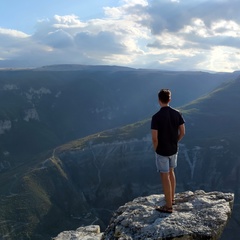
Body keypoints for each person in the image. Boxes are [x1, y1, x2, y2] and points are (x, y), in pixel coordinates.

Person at [151, 89, 185, 213]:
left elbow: (155, 138)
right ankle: (172, 198)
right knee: (171, 172)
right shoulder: (177, 114)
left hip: (162, 151)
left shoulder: (156, 117)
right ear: (169, 99)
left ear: (159, 100)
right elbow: (183, 132)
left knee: (164, 176)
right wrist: (175, 141)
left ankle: (168, 206)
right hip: (173, 149)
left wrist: (156, 150)